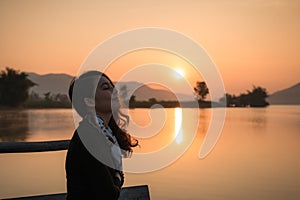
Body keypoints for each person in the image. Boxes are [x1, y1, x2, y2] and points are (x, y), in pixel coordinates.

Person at [65, 71, 138, 200]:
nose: (114, 91)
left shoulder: (104, 132)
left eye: (112, 86)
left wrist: (116, 178)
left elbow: (115, 181)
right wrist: (117, 178)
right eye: (106, 88)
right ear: (89, 101)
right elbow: (109, 194)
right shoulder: (88, 136)